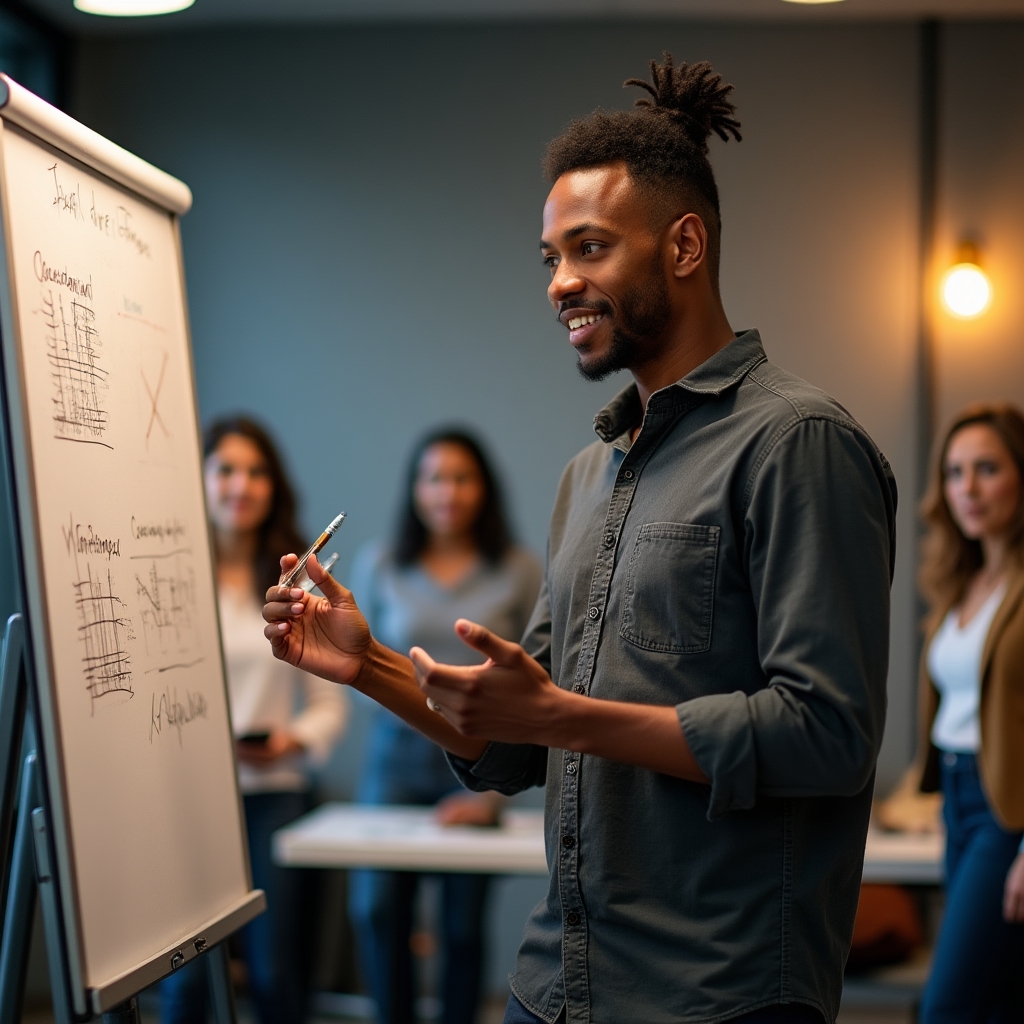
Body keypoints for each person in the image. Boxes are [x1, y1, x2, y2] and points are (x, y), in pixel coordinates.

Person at [264, 54, 896, 1024]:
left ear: (683, 246)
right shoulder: (587, 476)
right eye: (551, 257)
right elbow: (520, 738)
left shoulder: (797, 442)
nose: (561, 283)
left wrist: (563, 716)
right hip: (555, 984)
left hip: (713, 996)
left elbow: (827, 734)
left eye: (590, 249)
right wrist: (370, 666)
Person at [347, 427, 542, 1024]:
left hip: (480, 760)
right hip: (397, 757)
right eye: (434, 478)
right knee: (378, 909)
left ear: (483, 489)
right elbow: (363, 664)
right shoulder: (380, 563)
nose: (447, 492)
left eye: (462, 477)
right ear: (414, 490)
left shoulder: (516, 568)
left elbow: (534, 672)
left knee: (461, 924)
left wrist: (492, 796)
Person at [161, 416, 347, 1024]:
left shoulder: (293, 583)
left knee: (274, 974)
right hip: (189, 800)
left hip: (274, 796)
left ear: (274, 487)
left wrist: (291, 742)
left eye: (256, 471)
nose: (241, 484)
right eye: (226, 470)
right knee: (182, 981)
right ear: (202, 480)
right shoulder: (165, 579)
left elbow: (329, 705)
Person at [913, 403, 1024, 1023]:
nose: (968, 489)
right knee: (997, 1004)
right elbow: (959, 711)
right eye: (955, 473)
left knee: (947, 1008)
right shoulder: (963, 583)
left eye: (988, 468)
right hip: (958, 802)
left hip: (1007, 813)